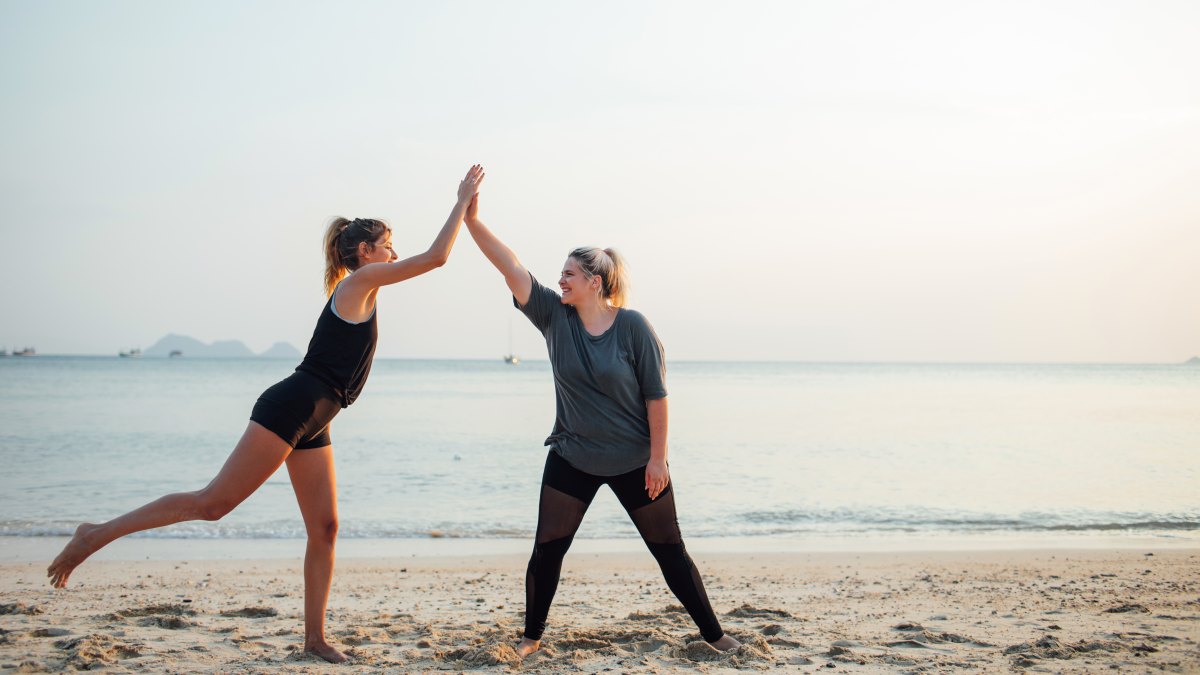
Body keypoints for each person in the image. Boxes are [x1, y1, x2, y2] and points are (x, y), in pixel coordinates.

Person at [46, 165, 486, 663]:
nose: (394, 253)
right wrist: (462, 202)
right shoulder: (360, 281)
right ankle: (94, 534)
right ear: (365, 253)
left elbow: (424, 261)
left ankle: (314, 639)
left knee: (325, 529)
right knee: (212, 503)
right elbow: (437, 258)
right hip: (292, 406)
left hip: (316, 418)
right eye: (388, 244)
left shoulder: (365, 286)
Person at [461, 190, 741, 656]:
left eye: (569, 273)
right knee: (547, 549)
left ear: (594, 281)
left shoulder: (633, 326)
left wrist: (658, 460)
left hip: (635, 460)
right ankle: (531, 638)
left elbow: (657, 397)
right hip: (573, 454)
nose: (561, 280)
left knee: (668, 550)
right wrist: (472, 221)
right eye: (561, 274)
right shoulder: (553, 316)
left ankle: (715, 635)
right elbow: (510, 265)